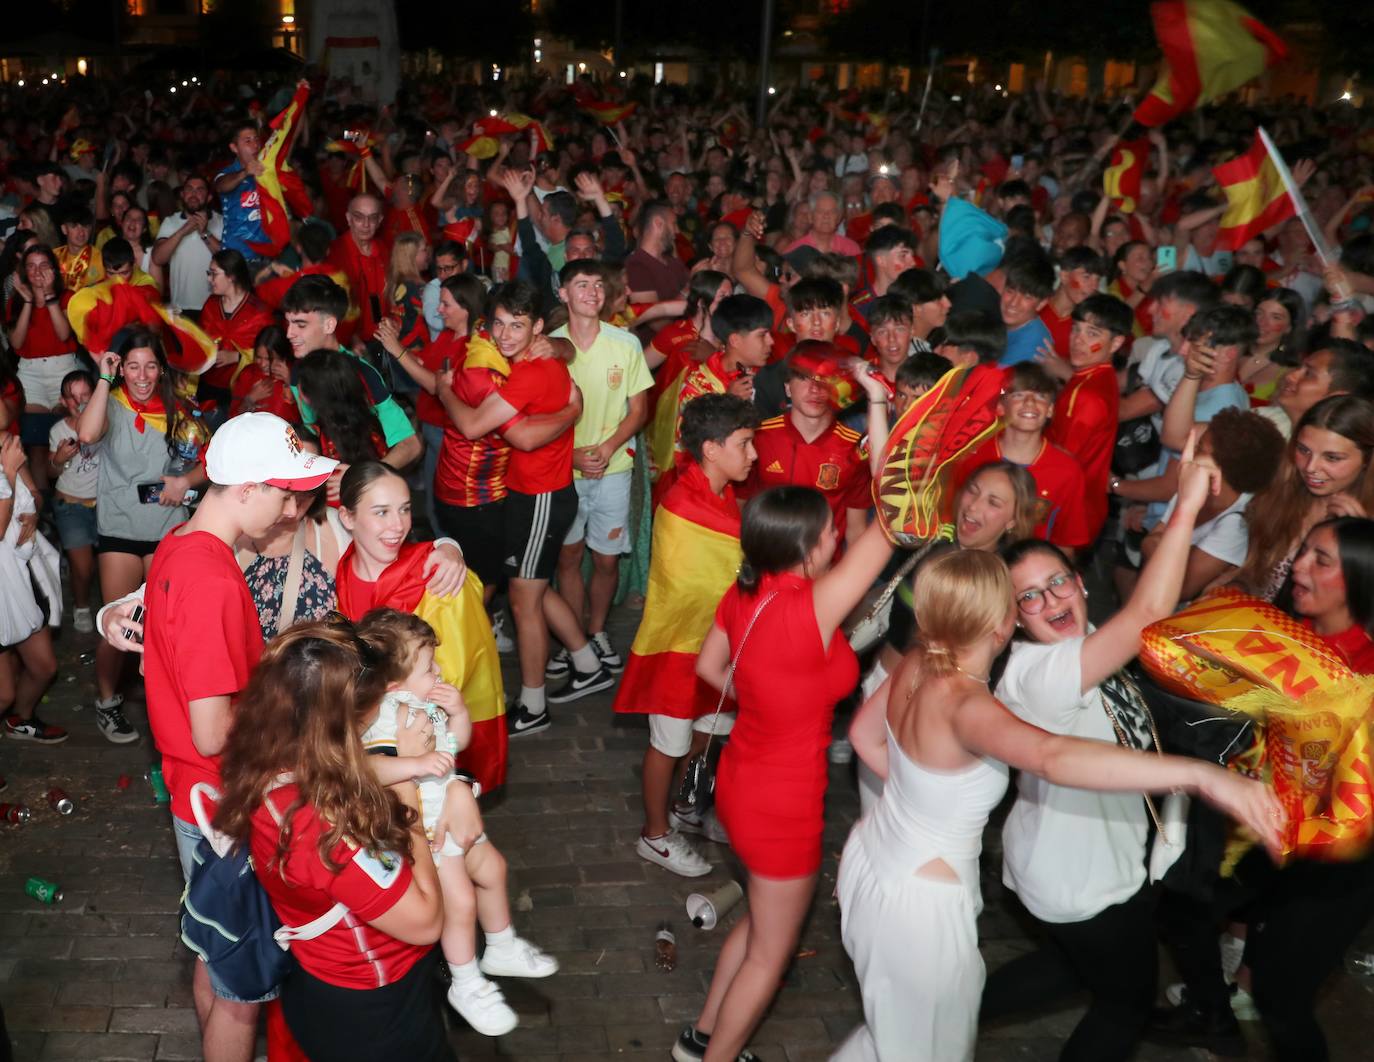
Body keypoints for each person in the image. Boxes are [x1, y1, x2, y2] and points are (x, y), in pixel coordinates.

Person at [835, 517, 1283, 1062]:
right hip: (920, 903)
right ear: (1004, 624)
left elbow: (863, 736)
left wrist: (925, 805)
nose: (1042, 602)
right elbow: (1051, 756)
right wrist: (1200, 775)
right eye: (1023, 597)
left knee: (899, 1040)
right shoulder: (966, 701)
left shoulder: (923, 655)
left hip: (878, 858)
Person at [141, 413, 337, 1062]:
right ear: (245, 489)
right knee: (242, 990)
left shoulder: (180, 545)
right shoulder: (215, 577)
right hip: (222, 802)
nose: (290, 510)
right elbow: (211, 727)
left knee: (215, 952)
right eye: (284, 495)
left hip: (190, 795)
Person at [674, 492, 896, 1062]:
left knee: (759, 923)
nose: (838, 540)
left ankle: (701, 1039)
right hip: (784, 804)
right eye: (830, 533)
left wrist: (771, 693)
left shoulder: (745, 591)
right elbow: (890, 525)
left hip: (743, 780)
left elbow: (707, 668)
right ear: (807, 544)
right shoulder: (812, 607)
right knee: (772, 955)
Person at [1151, 517, 1374, 1062]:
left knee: (1281, 999)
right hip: (1263, 825)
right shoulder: (1282, 629)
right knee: (1182, 909)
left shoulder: (1364, 671)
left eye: (1321, 560)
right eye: (1304, 551)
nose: (1298, 566)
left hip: (1336, 863)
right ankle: (1212, 1016)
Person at [213, 619, 452, 1062]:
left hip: (317, 980)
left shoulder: (268, 757)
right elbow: (424, 922)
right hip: (375, 1008)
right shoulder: (318, 826)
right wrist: (407, 787)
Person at [356, 609, 557, 1037]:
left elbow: (458, 742)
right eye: (429, 668)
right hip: (430, 830)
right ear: (393, 686)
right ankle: (466, 983)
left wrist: (459, 711)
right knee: (461, 903)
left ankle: (501, 945)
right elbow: (368, 769)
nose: (440, 672)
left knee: (495, 870)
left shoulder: (424, 702)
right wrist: (416, 761)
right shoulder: (384, 718)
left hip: (451, 806)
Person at [436, 282, 609, 733]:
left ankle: (534, 706)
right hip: (536, 494)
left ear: (536, 327)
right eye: (499, 324)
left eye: (517, 325)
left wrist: (444, 390)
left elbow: (477, 426)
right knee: (530, 587)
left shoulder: (531, 371)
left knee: (523, 601)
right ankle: (587, 662)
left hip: (541, 499)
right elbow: (563, 352)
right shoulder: (532, 359)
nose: (506, 334)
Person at [613, 394, 760, 877]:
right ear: (712, 450)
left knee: (705, 735)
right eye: (744, 444)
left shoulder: (721, 496)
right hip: (678, 648)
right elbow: (693, 585)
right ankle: (654, 835)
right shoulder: (682, 504)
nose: (753, 454)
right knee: (668, 745)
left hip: (714, 646)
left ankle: (685, 806)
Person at [334, 462, 507, 791]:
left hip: (424, 752)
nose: (397, 525)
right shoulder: (341, 575)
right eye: (381, 512)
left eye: (404, 509)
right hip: (368, 754)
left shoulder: (436, 577)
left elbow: (451, 680)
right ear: (347, 518)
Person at [79, 326, 206, 745]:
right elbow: (85, 435)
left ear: (162, 368)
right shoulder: (110, 403)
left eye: (150, 365)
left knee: (167, 627)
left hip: (168, 529)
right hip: (119, 529)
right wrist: (104, 377)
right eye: (132, 365)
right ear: (121, 367)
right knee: (118, 623)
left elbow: (209, 460)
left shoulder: (179, 406)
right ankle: (107, 701)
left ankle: (170, 701)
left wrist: (184, 479)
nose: (142, 375)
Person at [547, 261, 653, 675]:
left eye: (597, 284)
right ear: (563, 294)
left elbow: (638, 409)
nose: (591, 291)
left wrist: (608, 447)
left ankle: (595, 631)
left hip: (613, 469)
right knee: (568, 558)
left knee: (606, 559)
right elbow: (537, 415)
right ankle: (572, 640)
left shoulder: (624, 343)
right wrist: (570, 455)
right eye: (580, 284)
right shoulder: (549, 346)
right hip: (564, 470)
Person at [1237, 394, 1374, 603]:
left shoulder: (1367, 524)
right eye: (1303, 450)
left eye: (1332, 458)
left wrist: (1360, 545)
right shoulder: (1282, 491)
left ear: (1367, 460)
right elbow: (1248, 572)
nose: (1310, 467)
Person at [279, 275, 421, 474]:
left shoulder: (362, 374)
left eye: (300, 325)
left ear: (329, 325)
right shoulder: (298, 374)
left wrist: (359, 478)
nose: (289, 333)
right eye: (288, 323)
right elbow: (312, 434)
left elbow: (410, 445)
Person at [741, 344, 872, 548]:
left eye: (824, 380)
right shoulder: (759, 438)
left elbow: (856, 531)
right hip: (767, 564)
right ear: (787, 387)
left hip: (825, 571)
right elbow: (740, 507)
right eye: (804, 377)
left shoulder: (855, 448)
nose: (815, 389)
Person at [955, 363, 1091, 552]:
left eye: (1040, 397)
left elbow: (1066, 541)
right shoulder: (972, 451)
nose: (1030, 403)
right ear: (1001, 407)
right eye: (1018, 395)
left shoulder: (1067, 471)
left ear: (1050, 410)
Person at [1047, 293, 1132, 543]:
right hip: (1081, 506)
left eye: (1092, 333)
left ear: (1116, 343)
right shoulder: (1096, 376)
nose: (1078, 340)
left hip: (1066, 514)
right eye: (1076, 329)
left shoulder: (1089, 395)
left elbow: (1062, 463)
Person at [0, 434, 62, 744]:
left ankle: (21, 720)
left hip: (17, 575)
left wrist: (34, 513)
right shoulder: (8, 462)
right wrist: (7, 473)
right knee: (3, 692)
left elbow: (36, 493)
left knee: (44, 666)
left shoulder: (7, 445)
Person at [6, 243, 79, 492]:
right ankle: (40, 507)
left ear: (54, 269)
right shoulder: (16, 302)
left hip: (64, 370)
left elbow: (63, 333)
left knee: (68, 436)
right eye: (31, 266)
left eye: (44, 265)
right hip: (30, 372)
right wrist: (27, 301)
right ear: (24, 272)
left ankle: (69, 494)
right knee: (36, 445)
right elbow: (16, 343)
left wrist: (49, 297)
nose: (38, 272)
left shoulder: (67, 297)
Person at [46, 369, 100, 632]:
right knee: (84, 568)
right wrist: (59, 458)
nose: (79, 402)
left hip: (105, 506)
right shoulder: (59, 430)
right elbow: (50, 473)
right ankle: (81, 607)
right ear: (63, 401)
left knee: (104, 563)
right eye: (72, 397)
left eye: (85, 395)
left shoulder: (105, 424)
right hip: (70, 507)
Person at [198, 249, 274, 409]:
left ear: (231, 276)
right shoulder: (210, 305)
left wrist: (237, 357)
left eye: (213, 273)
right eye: (208, 273)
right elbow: (200, 340)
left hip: (244, 391)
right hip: (208, 386)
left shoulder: (260, 312)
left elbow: (274, 353)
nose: (209, 279)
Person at [153, 174, 224, 312]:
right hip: (179, 307)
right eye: (189, 189)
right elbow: (158, 258)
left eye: (200, 190)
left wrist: (204, 233)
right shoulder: (170, 222)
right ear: (182, 194)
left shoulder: (221, 221)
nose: (193, 194)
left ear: (209, 197)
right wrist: (182, 231)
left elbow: (229, 260)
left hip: (214, 308)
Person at [329, 194, 391, 343]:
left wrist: (395, 320)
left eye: (372, 218)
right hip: (350, 341)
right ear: (348, 218)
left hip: (384, 338)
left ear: (380, 220)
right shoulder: (335, 253)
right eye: (359, 217)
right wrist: (351, 338)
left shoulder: (384, 249)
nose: (366, 224)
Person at [213, 121, 267, 259]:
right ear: (234, 148)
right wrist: (245, 172)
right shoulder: (227, 173)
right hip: (237, 257)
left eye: (256, 140)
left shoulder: (266, 170)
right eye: (247, 141)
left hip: (266, 254)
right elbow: (220, 186)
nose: (255, 145)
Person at [1241, 288, 1306, 402]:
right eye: (1259, 313)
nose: (1262, 323)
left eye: (1275, 317)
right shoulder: (1230, 350)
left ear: (1289, 327)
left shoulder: (1290, 374)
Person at [997, 252, 1057, 368]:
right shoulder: (1001, 321)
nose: (1013, 303)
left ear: (1042, 303)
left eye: (1027, 297)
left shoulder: (1034, 346)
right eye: (1010, 291)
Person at [626, 203, 689, 301]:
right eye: (674, 224)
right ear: (658, 223)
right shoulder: (636, 266)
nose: (677, 231)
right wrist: (688, 290)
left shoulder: (672, 262)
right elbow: (650, 314)